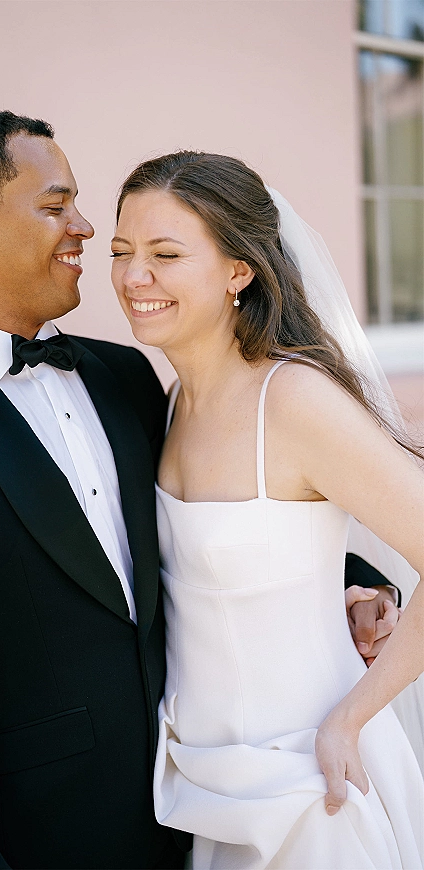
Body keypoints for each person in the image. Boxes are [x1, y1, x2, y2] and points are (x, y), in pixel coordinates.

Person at [0, 112, 400, 870]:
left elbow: (205, 540)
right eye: (55, 205)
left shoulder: (129, 379)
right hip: (58, 835)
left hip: (225, 802)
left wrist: (354, 585)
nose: (81, 227)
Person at [111, 151, 424, 870]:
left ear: (237, 271)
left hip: (316, 789)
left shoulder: (294, 401)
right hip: (200, 787)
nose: (134, 277)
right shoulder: (168, 405)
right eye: (122, 251)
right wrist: (355, 592)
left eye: (165, 254)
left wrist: (351, 718)